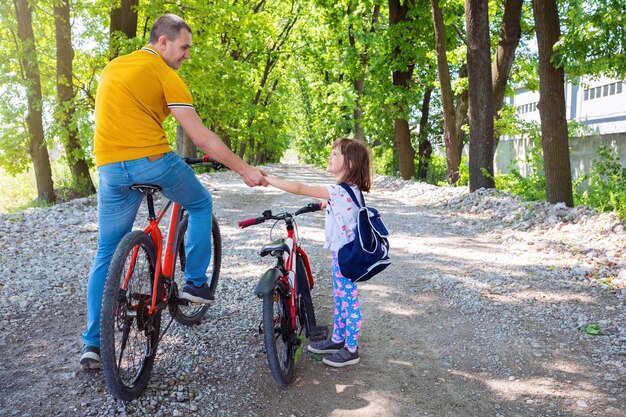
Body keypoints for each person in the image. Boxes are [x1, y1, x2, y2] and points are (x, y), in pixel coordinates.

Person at [80, 14, 268, 370]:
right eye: (184, 47)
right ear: (163, 42)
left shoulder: (113, 67)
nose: (187, 56)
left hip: (108, 168)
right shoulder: (164, 75)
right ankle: (196, 285)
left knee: (106, 253)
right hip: (152, 162)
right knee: (199, 202)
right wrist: (244, 170)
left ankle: (92, 344)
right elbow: (201, 138)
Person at [265, 137, 372, 368]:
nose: (330, 157)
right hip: (342, 253)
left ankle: (351, 349)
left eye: (335, 154)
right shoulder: (348, 191)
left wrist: (268, 179)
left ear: (350, 163)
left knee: (348, 300)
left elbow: (301, 188)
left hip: (346, 255)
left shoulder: (338, 190)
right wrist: (326, 205)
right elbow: (345, 209)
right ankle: (337, 340)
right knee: (340, 297)